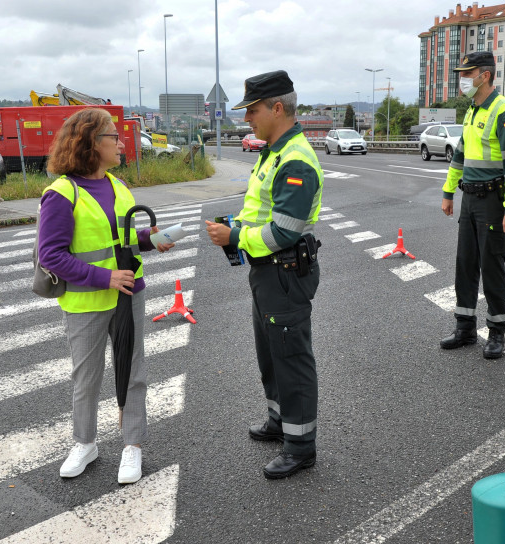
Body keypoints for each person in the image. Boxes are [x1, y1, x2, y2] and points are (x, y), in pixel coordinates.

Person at [38, 107, 175, 484]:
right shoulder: (61, 193)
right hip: (86, 302)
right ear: (90, 143)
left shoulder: (119, 186)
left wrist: (153, 240)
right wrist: (105, 277)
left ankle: (133, 446)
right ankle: (85, 443)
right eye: (112, 135)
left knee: (133, 372)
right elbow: (51, 256)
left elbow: (126, 239)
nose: (120, 141)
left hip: (129, 294)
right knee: (87, 378)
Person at [206, 70, 323, 479]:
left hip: (284, 269)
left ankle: (300, 446)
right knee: (271, 354)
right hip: (266, 272)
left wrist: (234, 235)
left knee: (291, 358)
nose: (247, 119)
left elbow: (283, 231)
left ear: (278, 108)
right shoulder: (272, 151)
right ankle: (279, 421)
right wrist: (235, 228)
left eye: (252, 110)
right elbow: (260, 211)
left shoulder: (294, 160)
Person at [440, 51, 505, 359]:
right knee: (465, 264)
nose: (462, 80)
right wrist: (449, 192)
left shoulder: (503, 111)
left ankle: (497, 332)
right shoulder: (472, 110)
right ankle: (465, 328)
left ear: (484, 76)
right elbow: (460, 155)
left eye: (467, 74)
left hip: (493, 200)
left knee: (491, 266)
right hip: (470, 198)